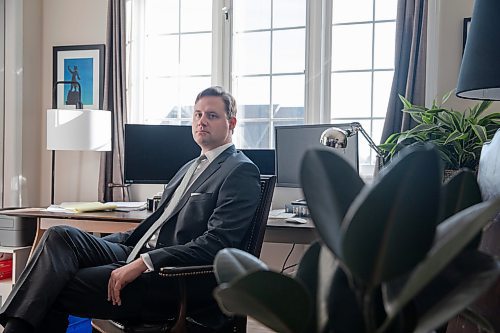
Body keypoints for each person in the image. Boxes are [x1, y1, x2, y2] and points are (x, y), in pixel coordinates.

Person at [0, 86, 261, 332]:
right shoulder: (190, 167)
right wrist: (97, 247)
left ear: (232, 124)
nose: (201, 121)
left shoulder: (239, 170)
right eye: (198, 114)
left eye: (212, 115)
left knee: (55, 284)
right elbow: (157, 224)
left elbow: (216, 244)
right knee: (60, 236)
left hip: (172, 277)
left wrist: (145, 262)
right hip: (135, 250)